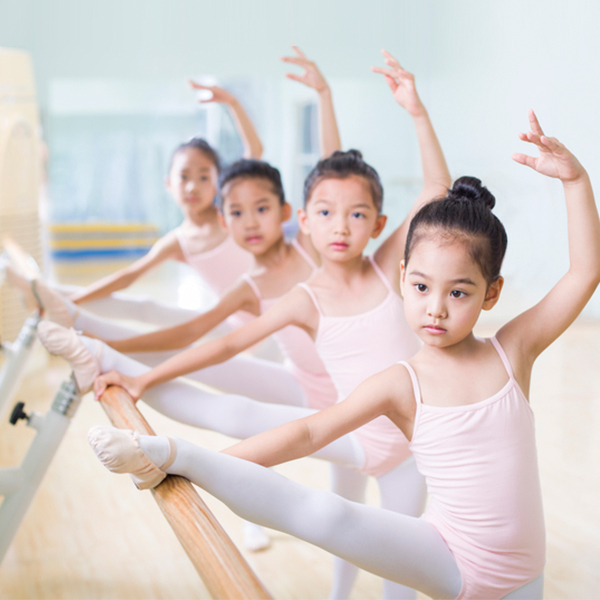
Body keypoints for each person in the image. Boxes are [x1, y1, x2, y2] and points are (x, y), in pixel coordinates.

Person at [88, 111, 600, 599]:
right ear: (403, 278)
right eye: (421, 287)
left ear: (491, 294)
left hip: (524, 571)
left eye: (459, 293)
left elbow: (584, 273)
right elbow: (310, 432)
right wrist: (211, 467)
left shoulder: (514, 351)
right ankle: (180, 455)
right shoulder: (400, 382)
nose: (436, 309)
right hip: (447, 553)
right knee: (331, 516)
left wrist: (575, 182)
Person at [39, 51, 450, 599]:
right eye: (325, 214)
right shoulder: (295, 294)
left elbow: (410, 186)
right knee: (266, 438)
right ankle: (107, 358)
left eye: (355, 216)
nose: (340, 225)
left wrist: (411, 112)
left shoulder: (368, 260)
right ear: (306, 218)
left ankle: (103, 350)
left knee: (392, 561)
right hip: (346, 418)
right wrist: (135, 380)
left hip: (404, 439)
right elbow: (222, 342)